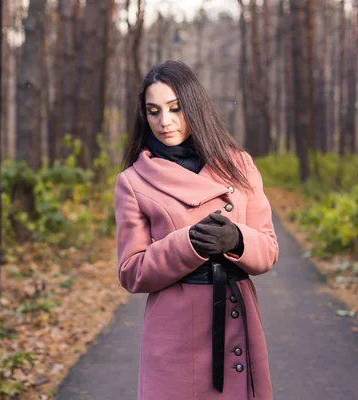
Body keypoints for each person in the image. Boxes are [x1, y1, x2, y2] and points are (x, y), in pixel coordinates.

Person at [114, 60, 279, 400]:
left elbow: (268, 250)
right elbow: (131, 272)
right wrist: (188, 244)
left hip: (235, 314)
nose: (165, 121)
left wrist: (237, 239)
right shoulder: (133, 181)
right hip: (175, 330)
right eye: (153, 111)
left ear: (194, 106)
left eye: (175, 108)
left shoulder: (239, 165)